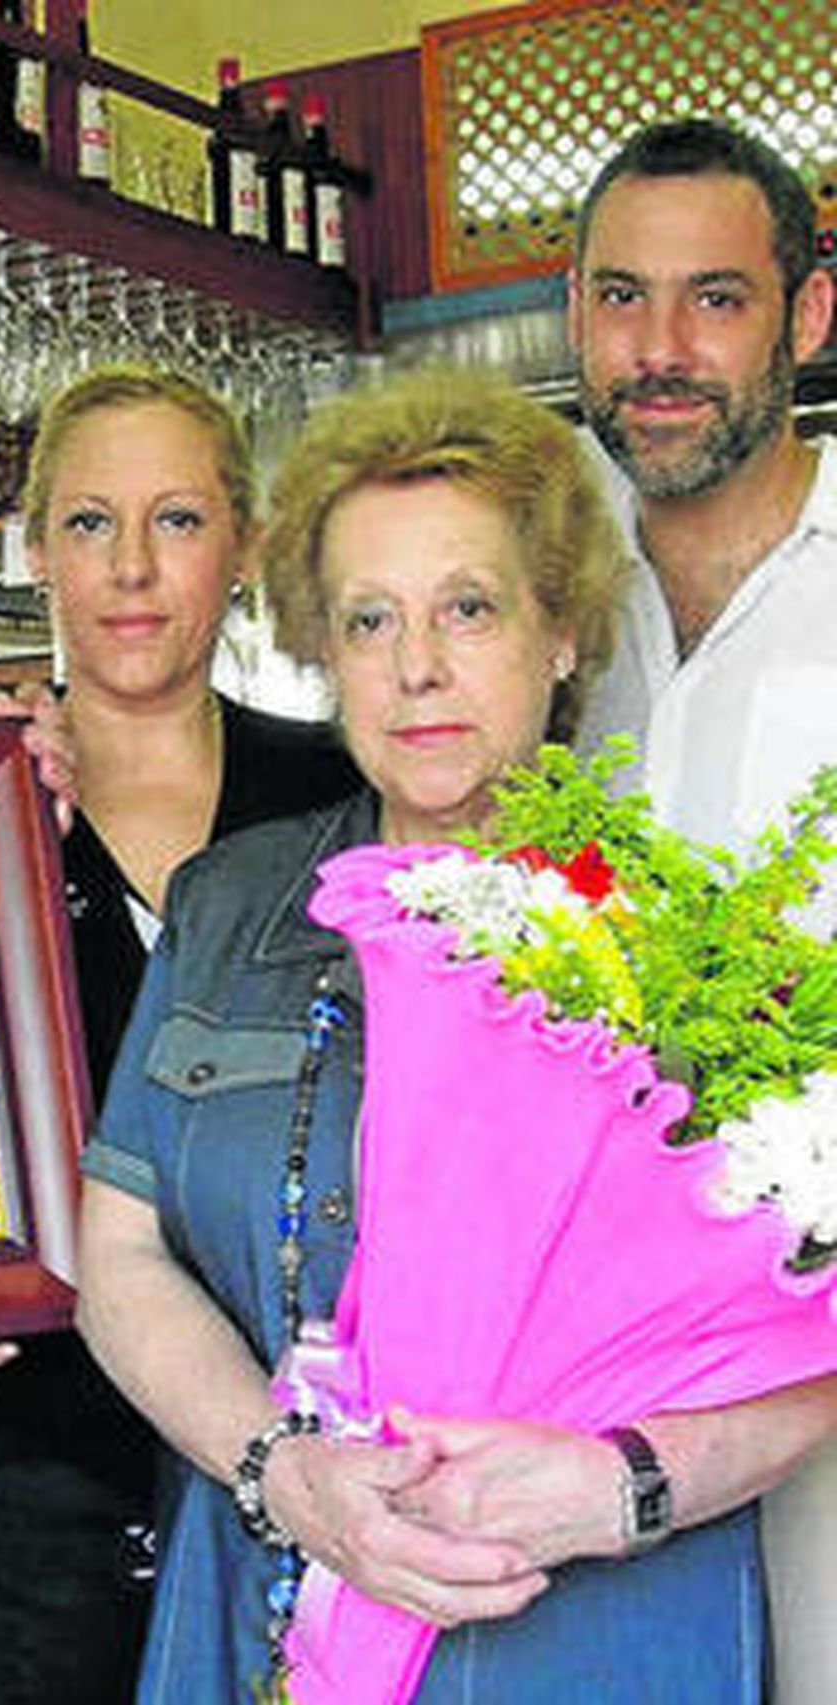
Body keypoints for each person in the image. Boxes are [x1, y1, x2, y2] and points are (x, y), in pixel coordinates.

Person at [75, 366, 837, 1702]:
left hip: (597, 1622)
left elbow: (807, 1340)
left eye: (468, 608)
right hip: (269, 1598)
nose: (416, 665)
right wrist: (284, 1471)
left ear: (559, 635)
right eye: (371, 619)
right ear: (323, 647)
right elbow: (121, 1252)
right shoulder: (232, 902)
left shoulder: (693, 948)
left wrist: (624, 1485)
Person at [0, 367, 360, 1703]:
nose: (133, 569)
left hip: (311, 1458)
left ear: (247, 544)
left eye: (179, 521)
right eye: (90, 523)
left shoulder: (342, 793)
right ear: (35, 549)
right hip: (9, 1465)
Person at [566, 118, 837, 1704]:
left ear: (807, 317)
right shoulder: (531, 595)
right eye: (620, 298)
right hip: (587, 1378)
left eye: (715, 300)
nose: (659, 353)